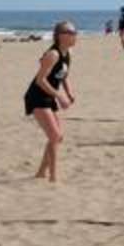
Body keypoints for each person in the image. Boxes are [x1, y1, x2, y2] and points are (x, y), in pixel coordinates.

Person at [24, 21, 78, 182]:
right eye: (72, 32)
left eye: (75, 32)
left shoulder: (68, 53)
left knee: (57, 137)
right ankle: (53, 177)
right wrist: (60, 96)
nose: (75, 35)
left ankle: (41, 172)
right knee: (55, 136)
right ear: (61, 35)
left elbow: (63, 74)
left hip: (48, 96)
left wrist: (69, 92)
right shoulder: (53, 54)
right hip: (37, 96)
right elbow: (40, 80)